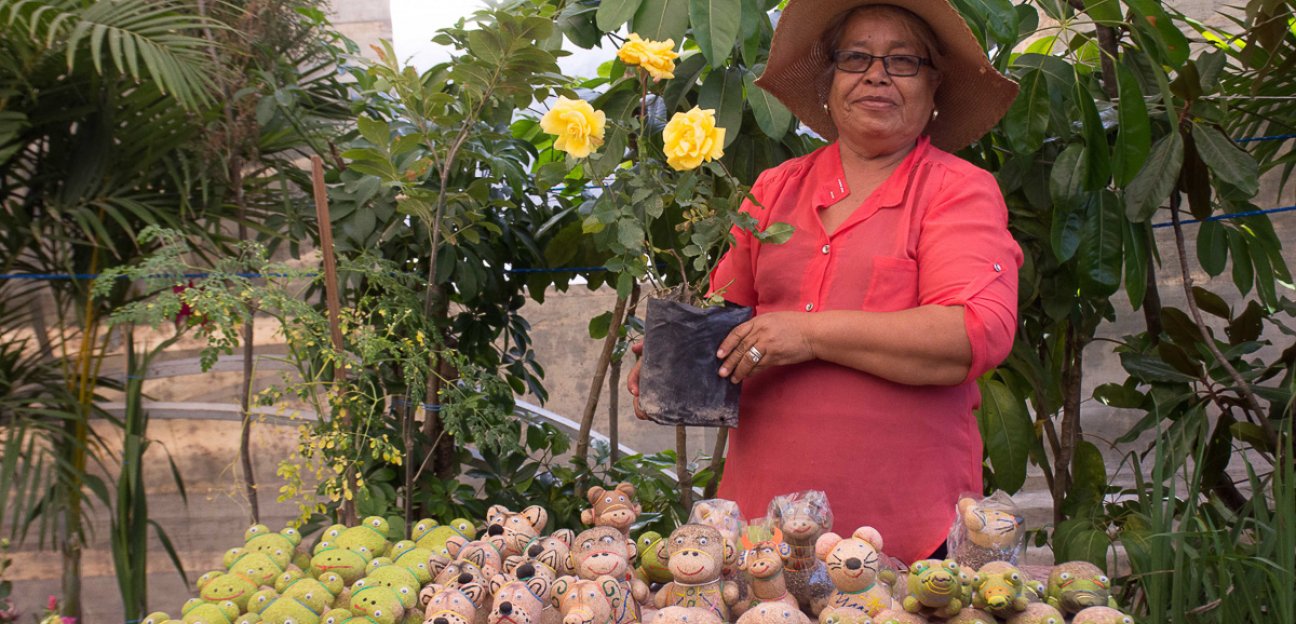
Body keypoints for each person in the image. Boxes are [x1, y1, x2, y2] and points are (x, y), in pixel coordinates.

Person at [628, 0, 1023, 565]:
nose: (877, 74)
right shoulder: (774, 188)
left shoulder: (957, 190)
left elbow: (970, 335)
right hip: (760, 529)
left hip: (903, 532)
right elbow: (727, 315)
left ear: (935, 87)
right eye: (855, 57)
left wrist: (809, 334)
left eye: (903, 60)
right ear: (828, 82)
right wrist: (678, 354)